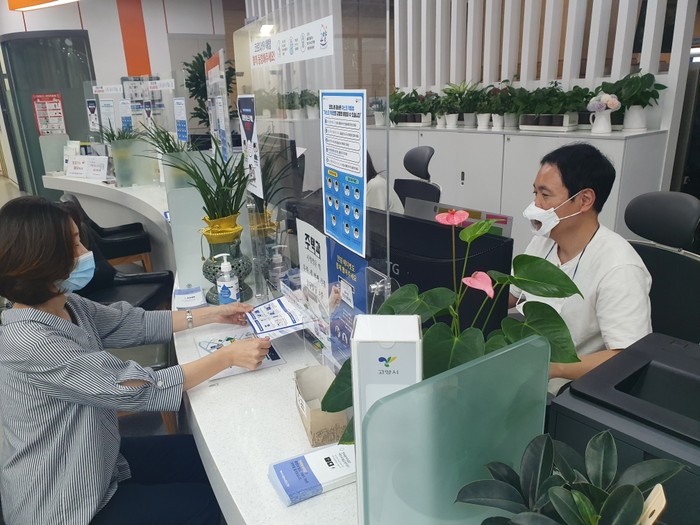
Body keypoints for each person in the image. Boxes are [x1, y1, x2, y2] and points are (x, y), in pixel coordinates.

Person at [0, 196, 272, 524]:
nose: (85, 252)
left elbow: (133, 323)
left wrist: (212, 314)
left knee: (215, 462)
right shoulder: (30, 342)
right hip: (67, 503)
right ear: (42, 260)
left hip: (100, 461)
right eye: (73, 244)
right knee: (212, 507)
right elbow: (138, 388)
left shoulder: (66, 305)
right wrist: (227, 357)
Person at [508, 143, 652, 393]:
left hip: (570, 391)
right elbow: (512, 294)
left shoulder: (620, 267)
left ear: (584, 200)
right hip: (525, 373)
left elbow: (627, 357)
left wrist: (554, 368)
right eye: (535, 193)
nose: (535, 205)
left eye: (545, 195)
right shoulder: (543, 242)